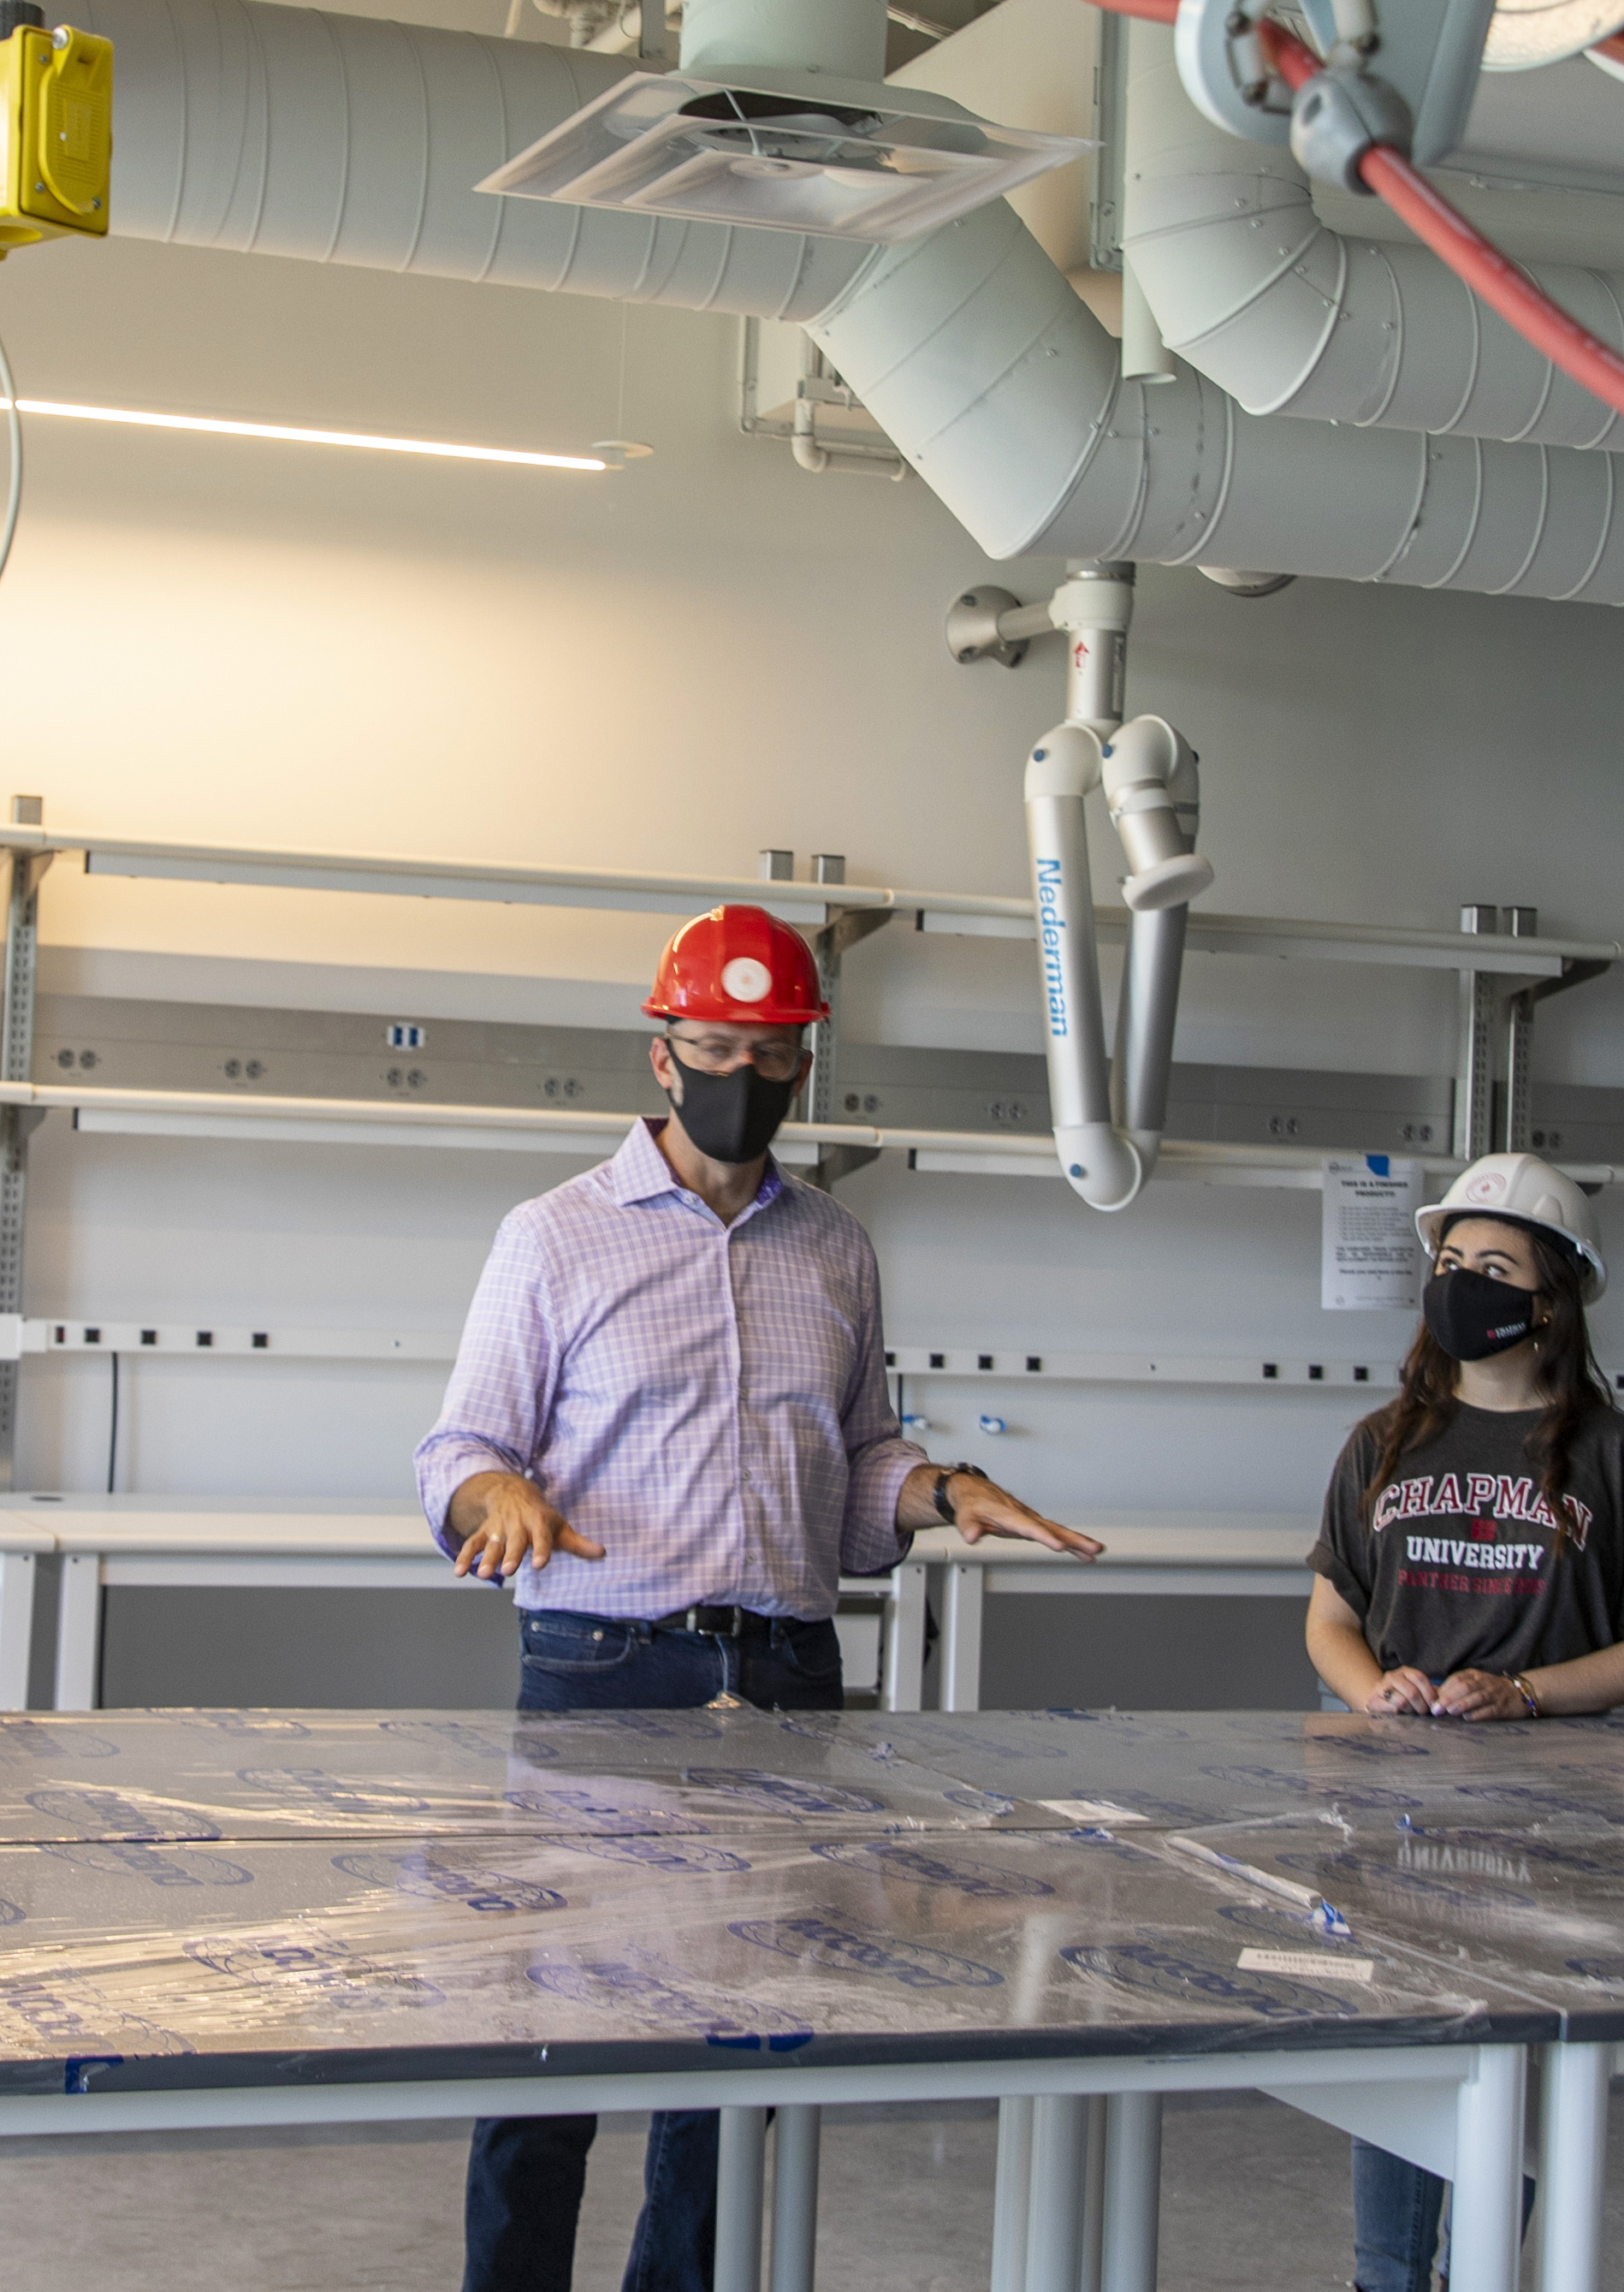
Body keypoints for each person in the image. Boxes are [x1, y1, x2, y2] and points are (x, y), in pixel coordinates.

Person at [415, 904, 1101, 2292]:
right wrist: (502, 1502)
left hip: (788, 1681)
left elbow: (854, 1467)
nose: (744, 1074)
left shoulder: (837, 1248)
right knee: (555, 2042)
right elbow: (461, 1448)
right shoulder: (552, 1238)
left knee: (744, 2050)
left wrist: (938, 1489)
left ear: (804, 1066)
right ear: (660, 1056)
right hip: (605, 1675)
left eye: (773, 1051)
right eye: (716, 1045)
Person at [1304, 1150, 1624, 2292]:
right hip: (1394, 1812)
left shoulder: (1617, 1457)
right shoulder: (1382, 1444)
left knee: (1512, 2081)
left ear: (1552, 1299)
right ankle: (1384, 2280)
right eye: (1451, 1260)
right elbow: (1330, 1622)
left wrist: (1525, 1694)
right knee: (1399, 2061)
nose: (1462, 1282)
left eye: (1494, 1264)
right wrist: (1371, 1683)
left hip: (1560, 1827)